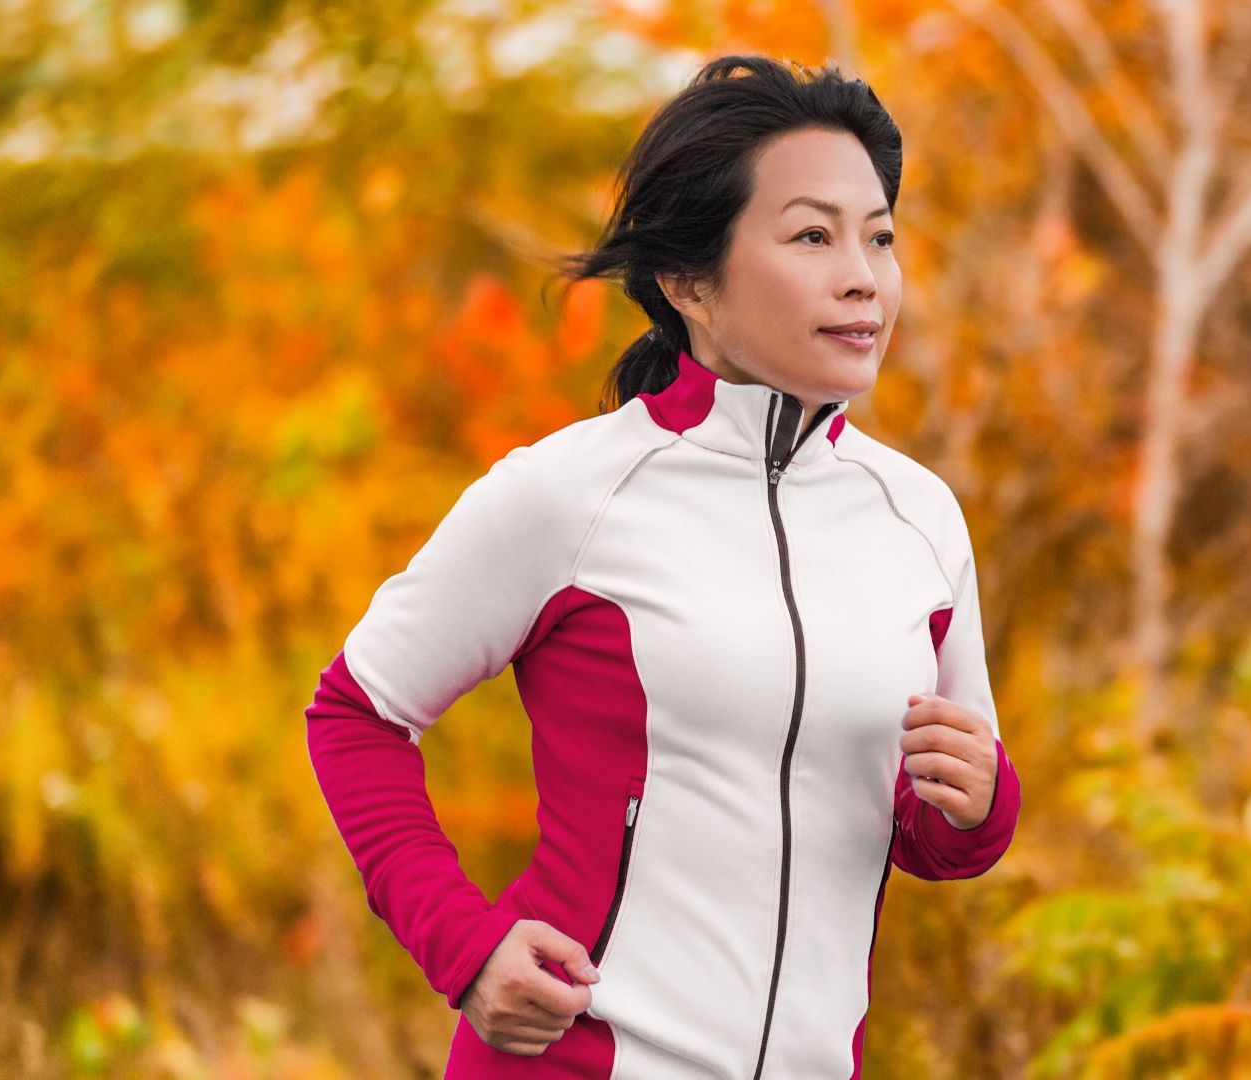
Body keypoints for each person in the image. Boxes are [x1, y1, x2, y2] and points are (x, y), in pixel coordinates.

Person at [303, 53, 1023, 1079]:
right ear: (690, 282)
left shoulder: (918, 519)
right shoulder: (573, 495)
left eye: (881, 237)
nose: (863, 274)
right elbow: (356, 713)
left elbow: (932, 833)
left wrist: (981, 802)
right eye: (812, 235)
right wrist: (464, 946)